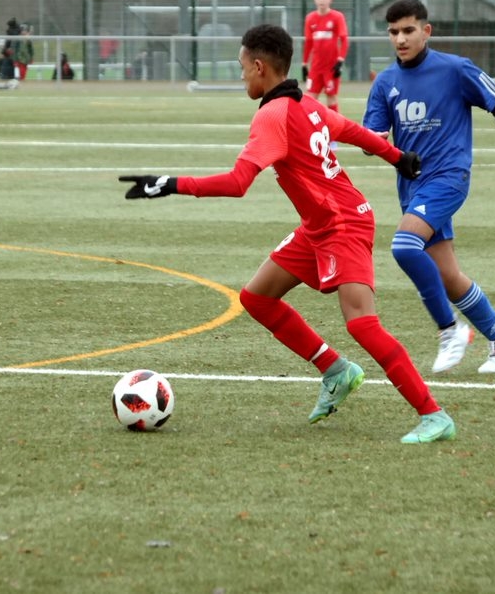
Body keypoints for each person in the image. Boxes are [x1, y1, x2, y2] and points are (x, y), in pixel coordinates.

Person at [120, 23, 456, 444]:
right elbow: (349, 129)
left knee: (362, 324)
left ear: (260, 67)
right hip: (319, 225)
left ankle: (433, 414)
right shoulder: (305, 103)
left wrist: (168, 184)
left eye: (242, 66)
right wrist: (395, 156)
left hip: (343, 224)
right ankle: (336, 370)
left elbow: (238, 183)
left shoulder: (272, 115)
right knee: (257, 298)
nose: (241, 75)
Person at [363, 0, 495, 375]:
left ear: (426, 31)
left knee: (404, 246)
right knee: (448, 276)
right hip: (412, 188)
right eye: (393, 32)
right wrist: (372, 143)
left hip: (449, 178)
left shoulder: (456, 69)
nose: (400, 39)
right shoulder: (385, 82)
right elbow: (374, 138)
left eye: (408, 30)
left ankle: (449, 330)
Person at [302, 0, 349, 116]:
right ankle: (311, 126)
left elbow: (344, 39)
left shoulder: (337, 17)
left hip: (331, 66)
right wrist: (304, 63)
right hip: (316, 67)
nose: (321, 0)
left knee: (331, 97)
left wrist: (340, 61)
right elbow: (309, 42)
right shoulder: (310, 18)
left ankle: (335, 127)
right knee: (309, 98)